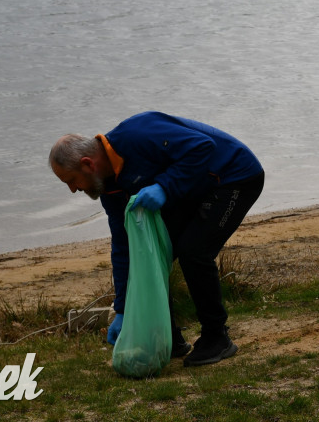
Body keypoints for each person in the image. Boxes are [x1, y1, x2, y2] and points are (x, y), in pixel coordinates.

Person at [49, 111, 264, 367]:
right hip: (197, 187)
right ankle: (169, 337)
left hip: (234, 175)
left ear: (87, 164)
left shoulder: (139, 133)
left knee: (193, 251)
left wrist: (164, 186)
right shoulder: (110, 187)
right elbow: (125, 246)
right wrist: (122, 309)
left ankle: (217, 338)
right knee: (151, 253)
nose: (74, 190)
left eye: (71, 181)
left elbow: (202, 147)